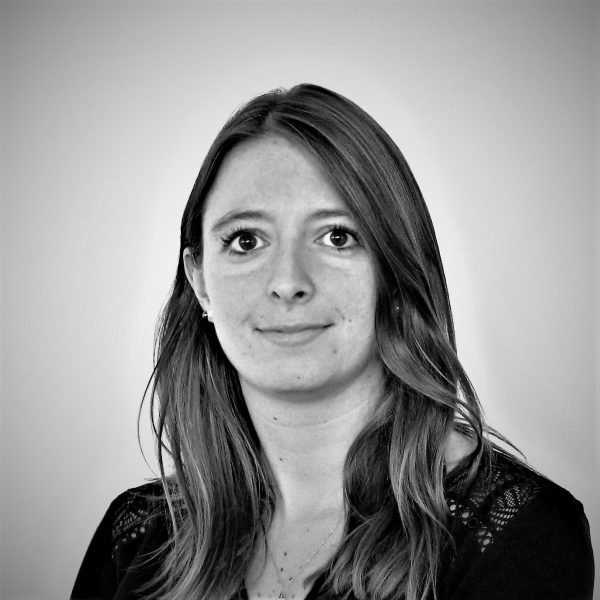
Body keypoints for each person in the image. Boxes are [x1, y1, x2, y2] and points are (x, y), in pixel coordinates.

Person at [71, 84, 594, 600]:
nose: (288, 281)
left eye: (337, 237)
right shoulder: (134, 539)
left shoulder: (515, 537)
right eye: (246, 240)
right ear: (200, 279)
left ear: (395, 271)